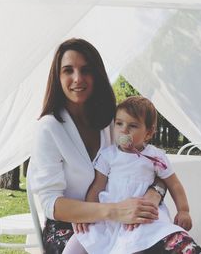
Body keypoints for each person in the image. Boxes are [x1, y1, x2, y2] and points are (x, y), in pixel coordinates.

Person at [28, 38, 165, 253]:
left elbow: (155, 167)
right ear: (58, 77)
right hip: (69, 227)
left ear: (97, 75)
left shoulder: (113, 123)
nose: (77, 78)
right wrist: (113, 211)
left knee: (179, 245)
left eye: (85, 70)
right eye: (68, 70)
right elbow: (51, 204)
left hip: (117, 222)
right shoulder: (48, 128)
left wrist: (153, 194)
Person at [63, 96, 201, 254]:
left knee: (137, 244)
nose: (123, 130)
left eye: (133, 126)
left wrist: (183, 210)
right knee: (79, 243)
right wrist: (88, 212)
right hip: (110, 215)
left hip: (142, 218)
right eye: (119, 123)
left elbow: (174, 184)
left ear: (148, 133)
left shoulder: (155, 157)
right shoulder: (108, 155)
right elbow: (97, 187)